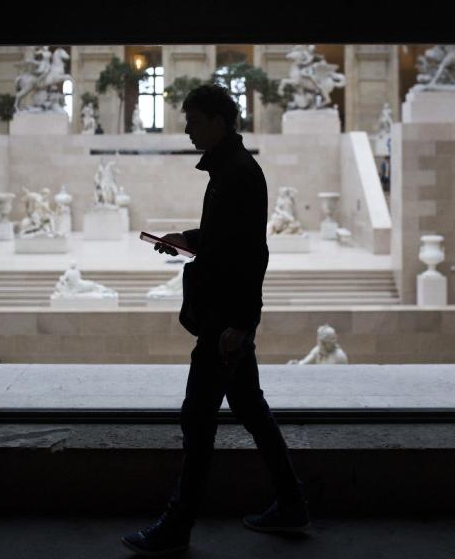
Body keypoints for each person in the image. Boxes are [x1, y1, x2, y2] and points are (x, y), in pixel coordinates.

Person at [122, 85, 308, 557]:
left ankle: (177, 527)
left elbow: (251, 254)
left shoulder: (239, 174)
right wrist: (182, 238)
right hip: (228, 318)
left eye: (194, 120)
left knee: (198, 418)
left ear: (219, 122)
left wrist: (242, 323)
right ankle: (291, 504)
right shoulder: (231, 170)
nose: (186, 128)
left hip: (225, 322)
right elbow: (225, 238)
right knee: (249, 408)